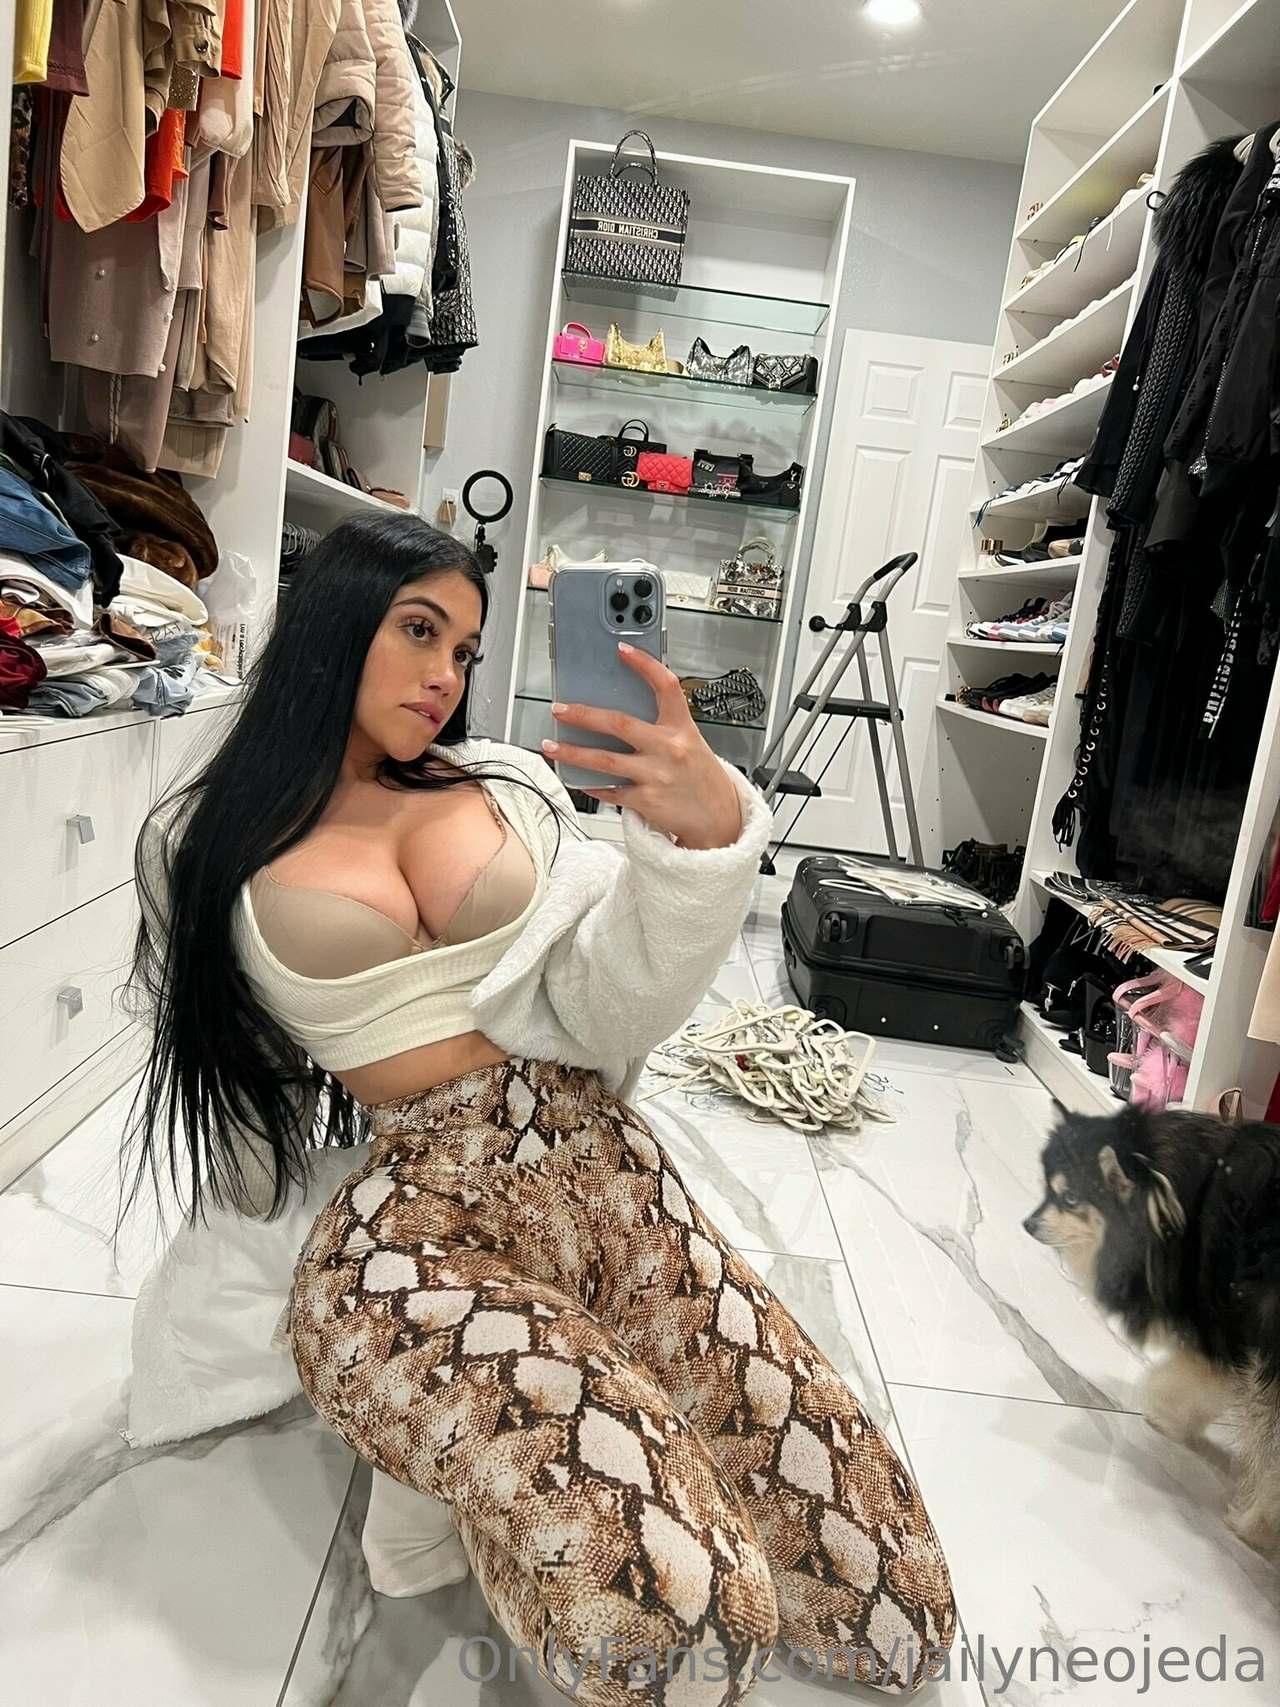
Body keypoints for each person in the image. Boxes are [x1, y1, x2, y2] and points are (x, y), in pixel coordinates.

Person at [127, 514, 955, 1703]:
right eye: (419, 630)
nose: (444, 674)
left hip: (610, 1186)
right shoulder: (196, 841)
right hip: (414, 1229)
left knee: (897, 1613)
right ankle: (498, 1488)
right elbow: (229, 1070)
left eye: (464, 650)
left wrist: (700, 840)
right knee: (686, 1631)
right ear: (330, 625)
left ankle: (537, 1447)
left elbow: (615, 997)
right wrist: (242, 1253)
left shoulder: (505, 786)